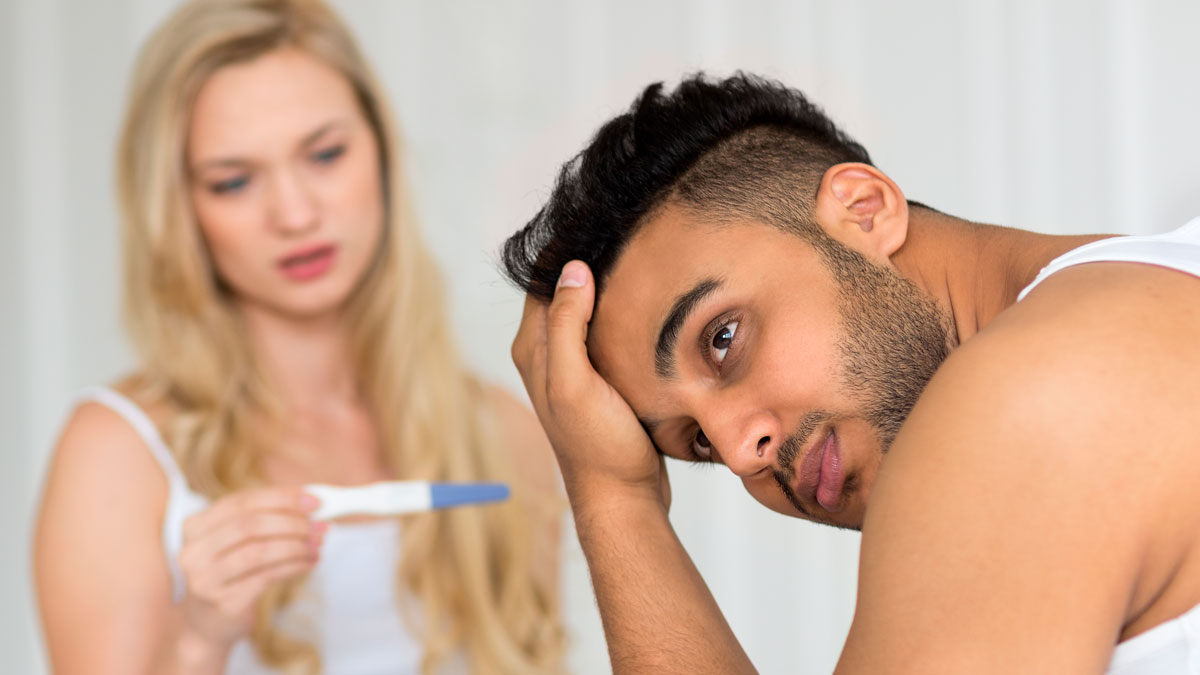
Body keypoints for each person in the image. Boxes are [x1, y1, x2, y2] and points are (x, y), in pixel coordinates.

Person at [502, 73, 1200, 674]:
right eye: (699, 445)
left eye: (722, 338)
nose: (742, 451)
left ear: (864, 210)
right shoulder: (1149, 296)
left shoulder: (1022, 408)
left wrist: (615, 501)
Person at [33, 1, 563, 673]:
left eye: (325, 154)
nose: (295, 212)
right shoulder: (119, 453)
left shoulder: (505, 435)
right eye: (234, 180)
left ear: (381, 153)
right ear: (178, 208)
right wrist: (200, 634)